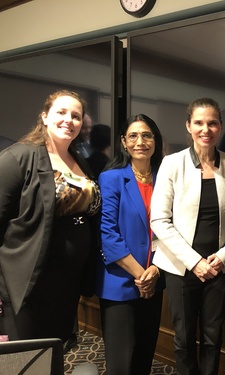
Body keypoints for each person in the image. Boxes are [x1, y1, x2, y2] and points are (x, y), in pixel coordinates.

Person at [150, 98, 225, 375]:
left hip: (218, 268)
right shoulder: (172, 164)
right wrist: (194, 262)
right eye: (199, 123)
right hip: (180, 268)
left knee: (214, 337)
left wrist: (223, 256)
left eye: (212, 123)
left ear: (220, 127)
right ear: (189, 126)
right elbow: (159, 220)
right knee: (183, 338)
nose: (206, 129)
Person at [0, 90, 101, 342]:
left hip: (67, 281)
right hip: (25, 284)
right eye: (61, 112)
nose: (69, 120)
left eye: (76, 116)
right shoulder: (18, 157)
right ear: (44, 117)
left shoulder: (79, 160)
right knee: (25, 356)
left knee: (54, 351)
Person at [96, 114, 165, 375]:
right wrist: (141, 275)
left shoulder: (164, 179)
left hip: (154, 279)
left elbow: (170, 231)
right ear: (123, 142)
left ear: (155, 140)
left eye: (147, 135)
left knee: (145, 355)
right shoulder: (112, 178)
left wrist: (155, 272)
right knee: (121, 362)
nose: (141, 141)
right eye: (133, 136)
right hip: (120, 280)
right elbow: (108, 234)